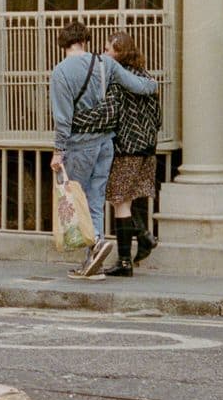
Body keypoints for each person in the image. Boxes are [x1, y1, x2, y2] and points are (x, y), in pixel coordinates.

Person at [49, 20, 160, 278]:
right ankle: (93, 260)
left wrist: (58, 151)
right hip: (106, 144)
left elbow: (63, 118)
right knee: (96, 199)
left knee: (80, 200)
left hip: (80, 144)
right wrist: (153, 85)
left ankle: (96, 245)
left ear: (64, 44)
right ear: (85, 41)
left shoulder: (61, 72)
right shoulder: (104, 63)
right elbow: (139, 85)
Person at [103, 30, 161, 277]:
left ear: (119, 52)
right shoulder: (146, 77)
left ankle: (124, 261)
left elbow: (111, 113)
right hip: (147, 147)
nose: (105, 53)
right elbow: (157, 117)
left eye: (108, 49)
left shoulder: (118, 81)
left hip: (127, 148)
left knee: (120, 201)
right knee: (127, 197)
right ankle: (144, 237)